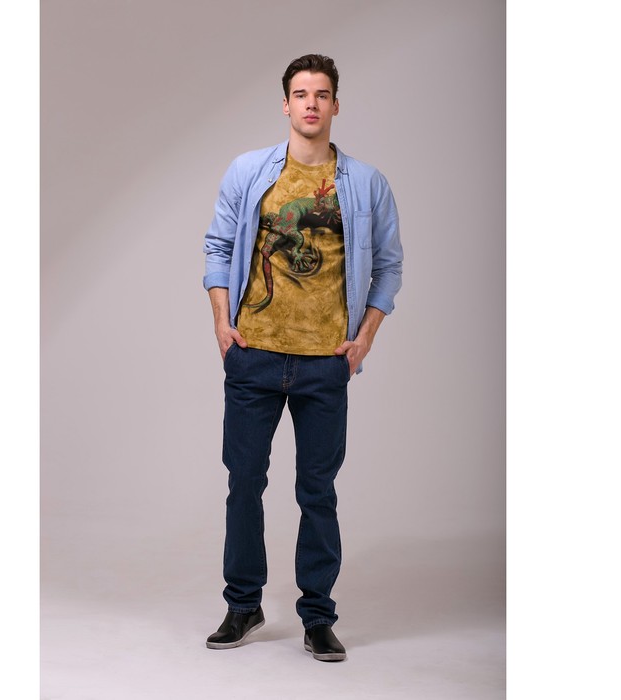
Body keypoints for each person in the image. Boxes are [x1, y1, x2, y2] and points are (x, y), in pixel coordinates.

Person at [202, 54, 403, 662]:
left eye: (321, 94)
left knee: (317, 491)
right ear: (285, 104)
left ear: (335, 105)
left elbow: (389, 266)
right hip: (254, 355)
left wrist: (364, 339)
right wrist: (222, 323)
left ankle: (317, 616)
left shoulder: (365, 183)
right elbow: (218, 246)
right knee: (244, 483)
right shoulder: (248, 171)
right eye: (300, 93)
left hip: (324, 363)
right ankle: (243, 604)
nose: (311, 103)